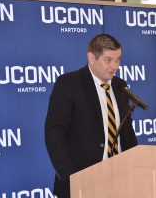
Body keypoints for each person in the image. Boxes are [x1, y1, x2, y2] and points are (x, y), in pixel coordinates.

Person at [45, 34, 138, 198]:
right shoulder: (69, 83)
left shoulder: (120, 86)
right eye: (108, 60)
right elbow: (54, 134)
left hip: (120, 179)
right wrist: (72, 178)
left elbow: (127, 132)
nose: (114, 66)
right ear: (91, 57)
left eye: (117, 59)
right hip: (81, 182)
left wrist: (137, 167)